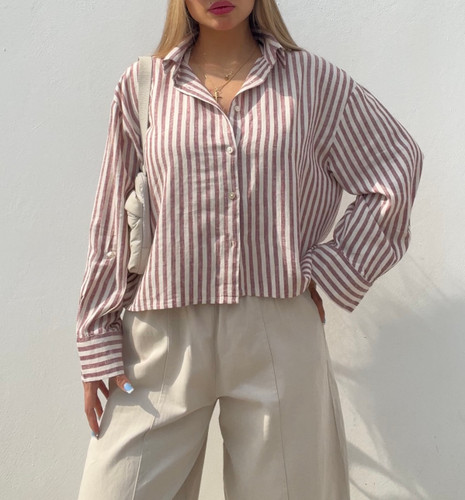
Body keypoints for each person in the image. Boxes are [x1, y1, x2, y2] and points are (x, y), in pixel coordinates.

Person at [76, 1, 423, 498]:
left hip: (278, 330)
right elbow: (110, 214)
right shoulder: (144, 85)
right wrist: (97, 336)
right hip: (162, 334)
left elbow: (396, 165)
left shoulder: (311, 81)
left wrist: (329, 267)